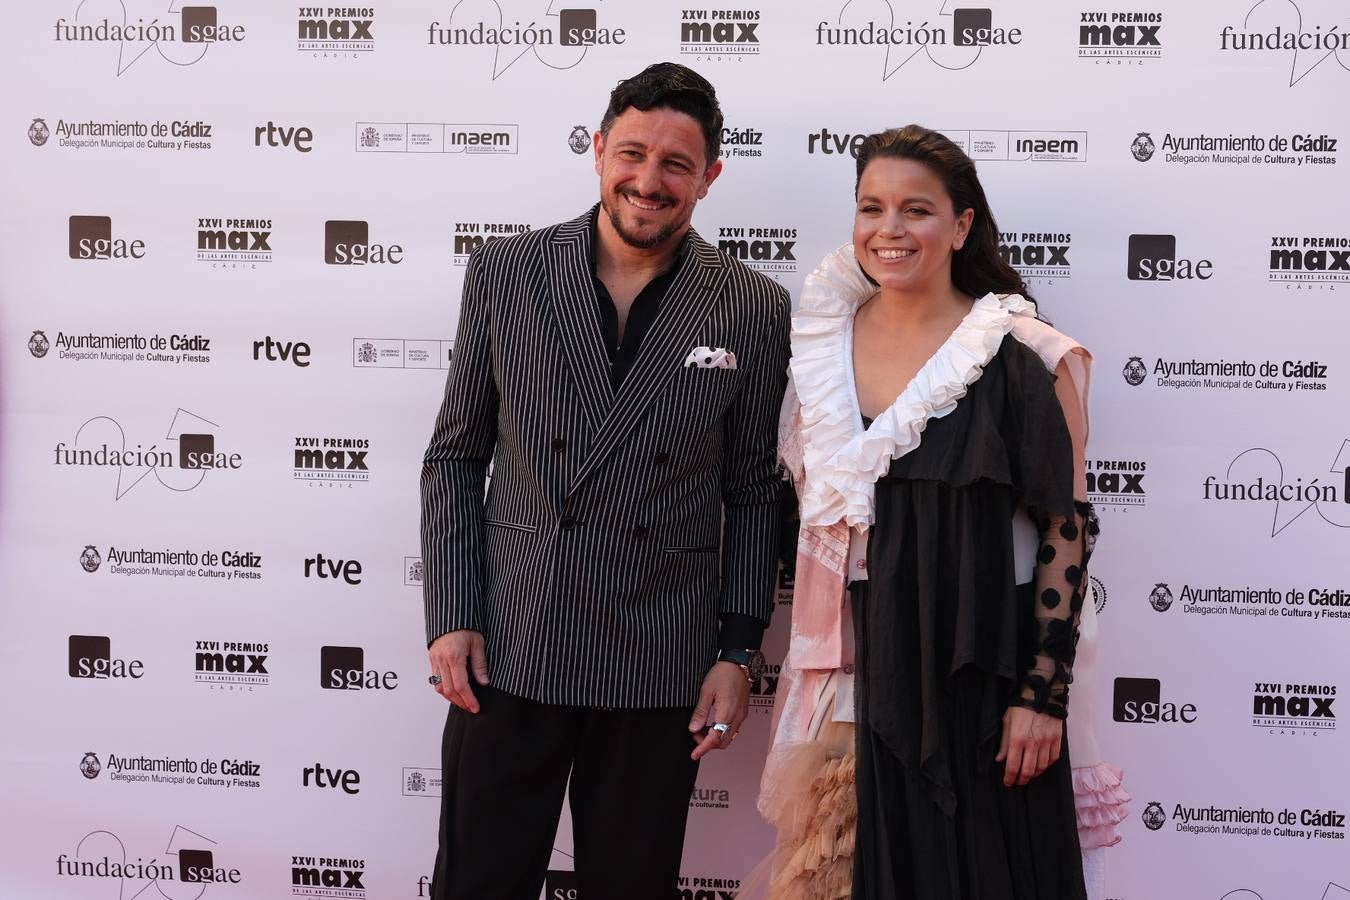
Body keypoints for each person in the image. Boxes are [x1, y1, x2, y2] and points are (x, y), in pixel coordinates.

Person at [419, 62, 790, 900]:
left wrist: (738, 649)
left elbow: (754, 491)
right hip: (510, 645)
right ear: (596, 152)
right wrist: (452, 615)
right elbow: (454, 456)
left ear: (710, 177)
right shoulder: (506, 273)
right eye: (632, 153)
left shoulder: (752, 308)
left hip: (661, 659)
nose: (648, 181)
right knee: (477, 881)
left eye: (676, 165)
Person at [758, 126, 1128, 900]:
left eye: (915, 210)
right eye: (872, 208)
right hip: (851, 683)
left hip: (980, 684)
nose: (889, 230)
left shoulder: (1021, 356)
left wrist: (1041, 697)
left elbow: (1066, 529)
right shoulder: (821, 347)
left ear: (961, 226)